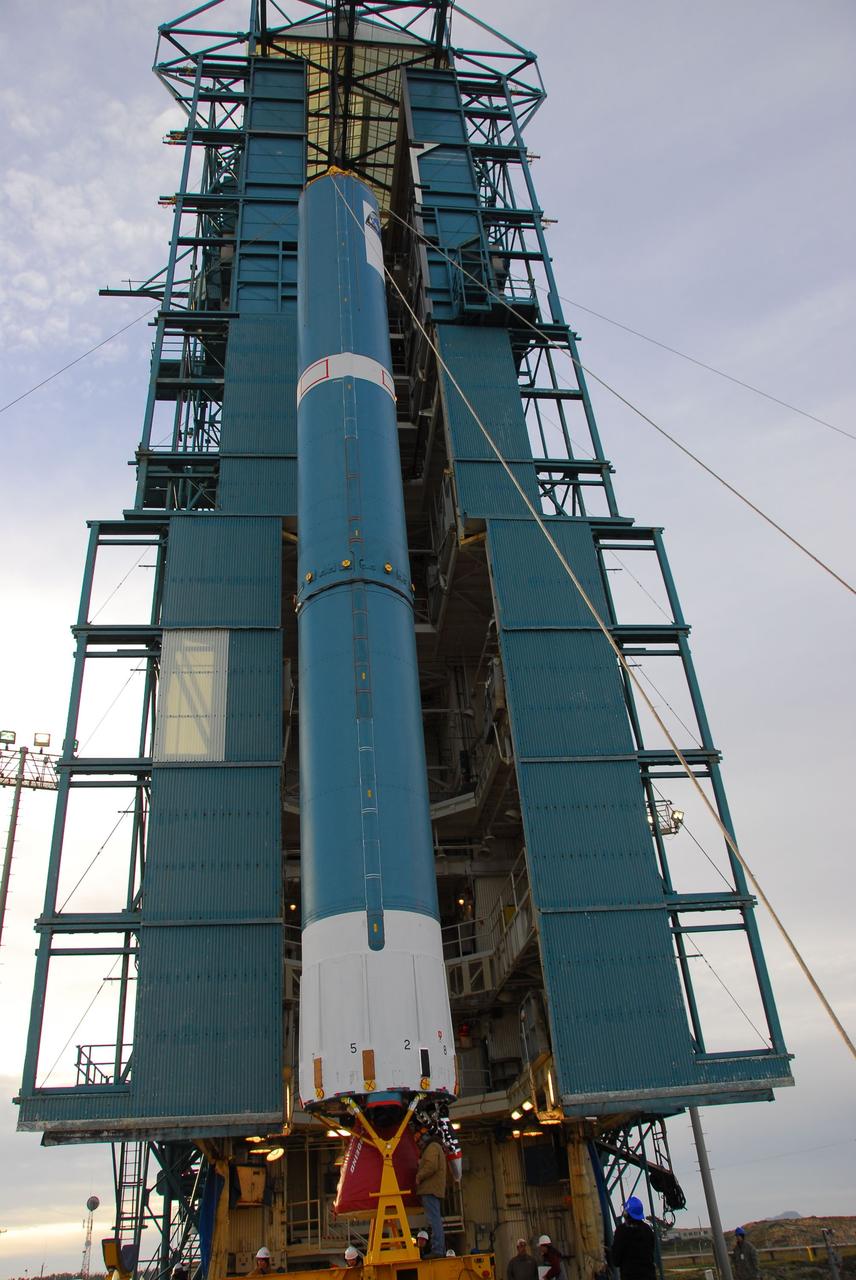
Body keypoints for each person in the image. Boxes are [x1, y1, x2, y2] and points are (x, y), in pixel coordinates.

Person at [414, 1126, 447, 1257]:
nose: (418, 1142)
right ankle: (439, 1249)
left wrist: (419, 1176)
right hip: (433, 1189)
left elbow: (431, 1166)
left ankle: (438, 1250)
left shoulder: (432, 1147)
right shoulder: (436, 1147)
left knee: (434, 1221)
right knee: (435, 1220)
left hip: (430, 1189)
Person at [607, 1198, 655, 1280]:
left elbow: (616, 1260)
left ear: (626, 1214)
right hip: (649, 1276)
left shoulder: (622, 1231)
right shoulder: (647, 1229)